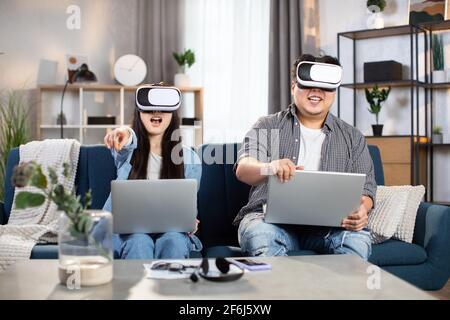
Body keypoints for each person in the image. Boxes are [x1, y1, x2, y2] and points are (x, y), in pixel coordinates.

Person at [234, 54, 376, 260]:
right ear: (294, 87)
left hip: (330, 228)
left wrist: (362, 210)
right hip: (268, 222)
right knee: (260, 235)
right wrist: (270, 167)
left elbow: (367, 190)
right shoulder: (267, 125)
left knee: (357, 241)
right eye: (308, 84)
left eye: (325, 86)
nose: (316, 91)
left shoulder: (352, 137)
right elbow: (244, 168)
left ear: (334, 92)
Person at [102, 86, 202, 259]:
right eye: (149, 108)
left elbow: (189, 206)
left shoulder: (189, 158)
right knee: (139, 241)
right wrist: (124, 132)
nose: (156, 112)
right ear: (139, 112)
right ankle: (139, 287)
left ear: (173, 114)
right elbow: (126, 141)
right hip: (130, 234)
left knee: (173, 241)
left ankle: (170, 285)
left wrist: (189, 221)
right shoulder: (128, 151)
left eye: (163, 107)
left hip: (173, 233)